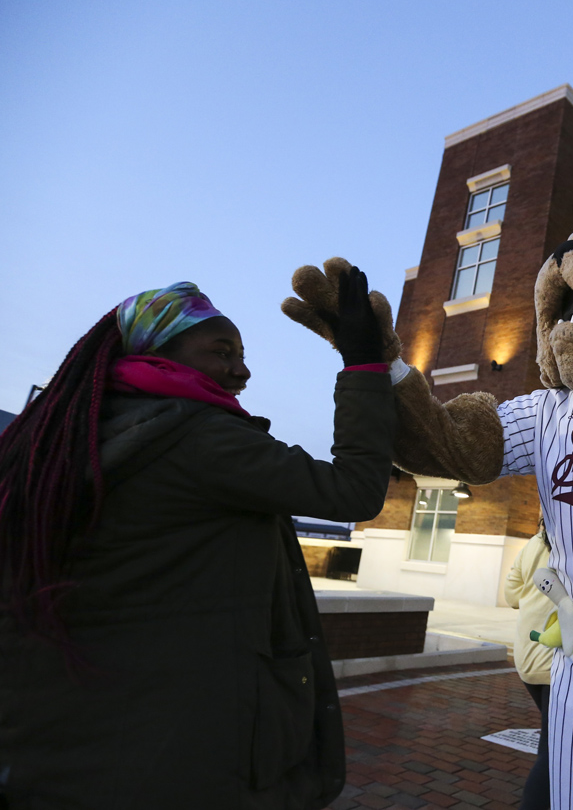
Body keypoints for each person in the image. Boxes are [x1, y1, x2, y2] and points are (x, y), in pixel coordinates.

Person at [0, 275, 396, 809]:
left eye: (242, 353)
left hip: (64, 731)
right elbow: (353, 490)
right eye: (221, 351)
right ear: (160, 353)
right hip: (180, 743)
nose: (242, 369)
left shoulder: (71, 432)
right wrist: (363, 364)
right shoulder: (200, 437)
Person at [504, 521, 556, 810]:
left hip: (526, 658)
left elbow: (511, 596)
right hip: (556, 661)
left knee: (552, 740)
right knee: (553, 751)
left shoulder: (533, 543)